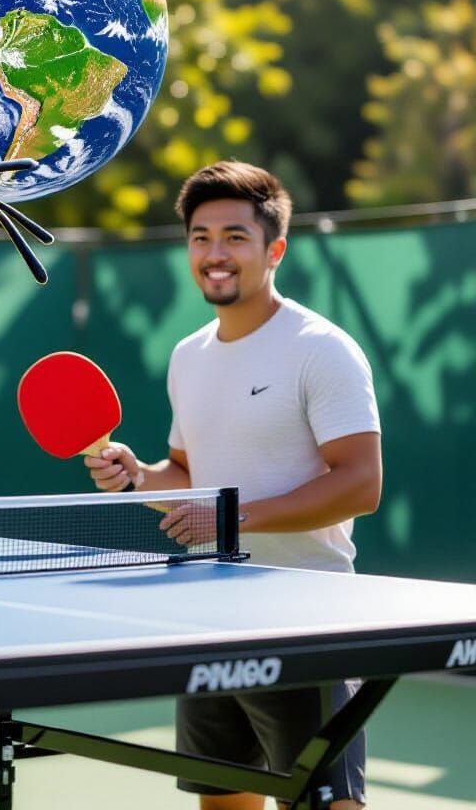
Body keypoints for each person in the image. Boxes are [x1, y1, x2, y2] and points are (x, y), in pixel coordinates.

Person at [86, 160, 382, 810]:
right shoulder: (188, 357)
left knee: (327, 804)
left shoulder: (321, 350)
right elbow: (190, 479)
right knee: (222, 802)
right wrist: (136, 476)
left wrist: (232, 520)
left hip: (306, 621)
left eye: (234, 237)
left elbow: (361, 484)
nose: (214, 254)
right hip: (212, 617)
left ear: (274, 249)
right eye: (200, 237)